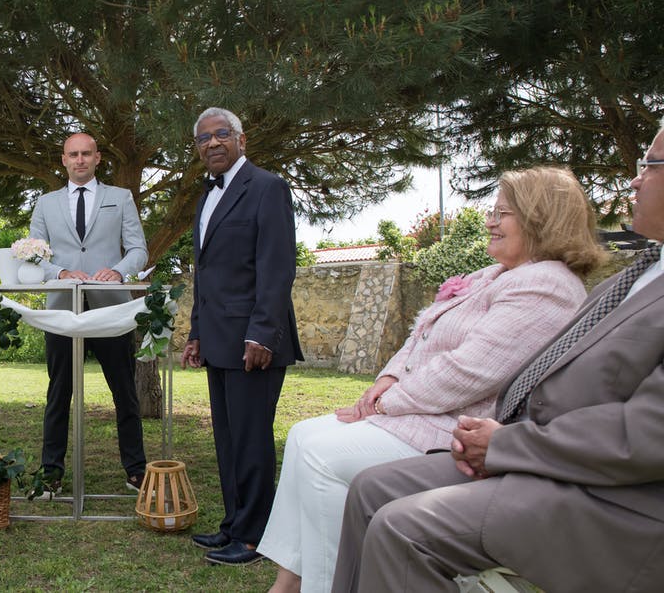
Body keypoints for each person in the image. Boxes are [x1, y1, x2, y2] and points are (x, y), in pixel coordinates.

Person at [331, 123, 664, 593]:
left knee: (403, 527)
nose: (633, 180)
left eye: (649, 166)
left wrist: (508, 445)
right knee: (371, 489)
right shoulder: (627, 281)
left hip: (616, 501)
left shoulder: (550, 283)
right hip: (550, 459)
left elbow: (649, 433)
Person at [259, 167, 607, 593]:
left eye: (503, 213)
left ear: (541, 218)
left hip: (457, 428)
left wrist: (388, 403)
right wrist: (386, 378)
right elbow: (423, 334)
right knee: (302, 435)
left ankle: (331, 585)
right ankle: (290, 581)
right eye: (492, 212)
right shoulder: (492, 275)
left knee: (322, 456)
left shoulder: (547, 286)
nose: (490, 222)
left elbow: (470, 371)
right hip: (428, 413)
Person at [182, 107, 304, 566]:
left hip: (255, 342)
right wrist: (195, 332)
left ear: (241, 139)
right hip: (217, 338)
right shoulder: (206, 197)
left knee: (252, 441)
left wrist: (262, 334)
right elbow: (207, 274)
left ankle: (255, 536)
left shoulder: (268, 187)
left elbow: (277, 268)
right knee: (229, 440)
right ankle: (234, 524)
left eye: (220, 135)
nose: (212, 144)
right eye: (203, 139)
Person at [28, 132, 149, 492]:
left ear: (98, 158)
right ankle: (51, 472)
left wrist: (119, 271)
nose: (80, 160)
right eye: (73, 154)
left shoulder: (120, 197)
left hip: (112, 308)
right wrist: (61, 273)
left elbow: (138, 249)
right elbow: (34, 254)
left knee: (124, 391)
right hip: (63, 308)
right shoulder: (46, 203)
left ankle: (136, 469)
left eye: (86, 154)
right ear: (63, 160)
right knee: (58, 392)